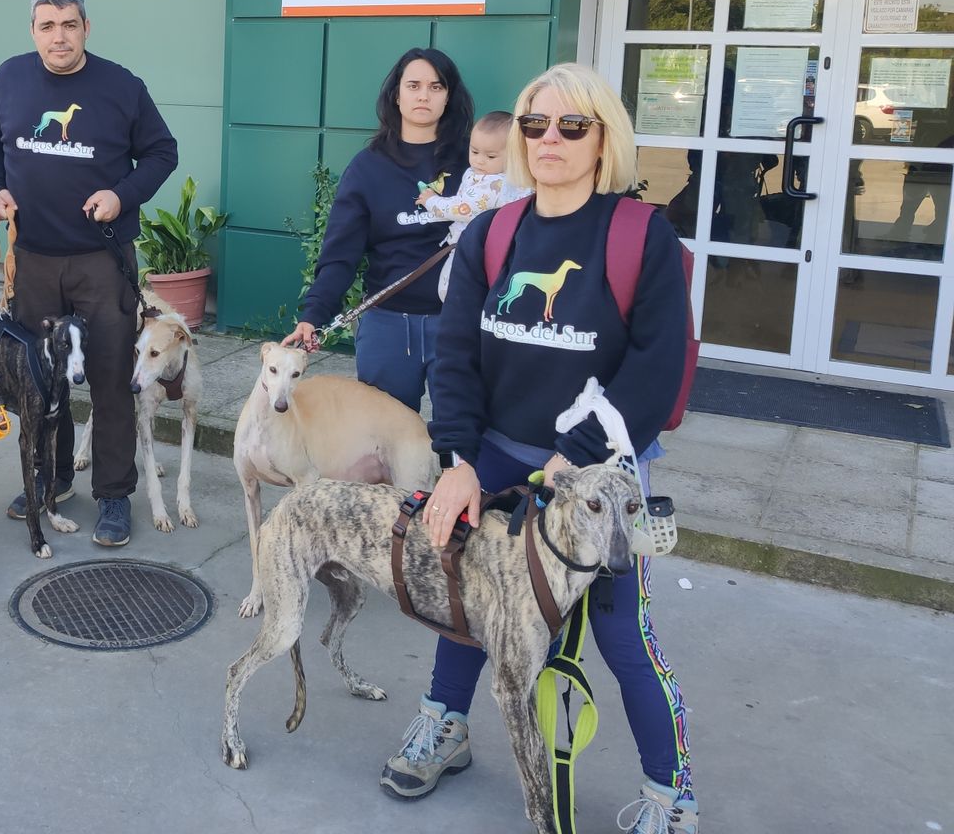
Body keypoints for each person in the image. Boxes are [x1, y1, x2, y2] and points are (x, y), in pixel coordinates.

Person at [381, 63, 698, 834]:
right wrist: (456, 462)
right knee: (466, 594)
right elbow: (454, 356)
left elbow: (655, 369)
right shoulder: (493, 232)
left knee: (623, 632)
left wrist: (575, 454)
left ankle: (671, 795)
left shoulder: (638, 235)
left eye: (570, 126)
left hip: (597, 468)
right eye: (534, 125)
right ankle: (444, 726)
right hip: (493, 453)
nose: (548, 139)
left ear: (602, 138)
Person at [0, 0, 178, 548]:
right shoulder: (9, 78)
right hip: (33, 261)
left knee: (113, 380)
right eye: (47, 25)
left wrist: (122, 194)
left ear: (86, 27)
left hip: (101, 261)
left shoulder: (121, 87)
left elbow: (163, 152)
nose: (58, 36)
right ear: (33, 30)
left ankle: (114, 495)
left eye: (69, 24)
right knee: (41, 383)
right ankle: (53, 477)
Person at [283, 48, 473, 410]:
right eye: (413, 85)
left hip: (458, 324)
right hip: (387, 324)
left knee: (462, 443)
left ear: (449, 97)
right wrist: (313, 315)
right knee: (385, 447)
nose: (423, 95)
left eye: (436, 87)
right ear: (396, 95)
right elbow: (340, 254)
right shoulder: (368, 167)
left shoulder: (474, 166)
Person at [411, 109, 530, 300]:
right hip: (475, 243)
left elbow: (462, 208)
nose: (479, 160)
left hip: (476, 247)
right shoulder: (479, 174)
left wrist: (431, 201)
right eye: (474, 151)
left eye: (491, 156)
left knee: (452, 290)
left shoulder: (495, 184)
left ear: (514, 156)